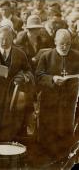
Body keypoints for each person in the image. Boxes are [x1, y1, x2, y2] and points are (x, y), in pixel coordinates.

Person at [0, 25, 34, 141]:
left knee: (9, 126)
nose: (4, 42)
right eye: (2, 38)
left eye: (8, 39)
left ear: (13, 38)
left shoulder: (20, 53)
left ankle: (7, 150)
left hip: (11, 97)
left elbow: (28, 71)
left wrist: (24, 77)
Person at [36, 29, 79, 160]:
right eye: (62, 44)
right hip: (50, 101)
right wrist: (52, 79)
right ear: (55, 42)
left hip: (70, 101)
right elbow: (38, 76)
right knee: (49, 129)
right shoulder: (46, 56)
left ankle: (65, 157)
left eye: (68, 44)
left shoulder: (77, 56)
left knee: (66, 129)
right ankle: (48, 158)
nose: (65, 47)